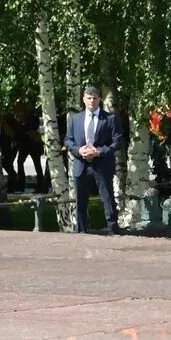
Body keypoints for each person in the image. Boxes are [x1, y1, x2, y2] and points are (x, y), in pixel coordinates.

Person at [64, 85, 124, 234]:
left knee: (108, 199)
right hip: (81, 165)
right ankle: (82, 232)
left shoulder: (110, 119)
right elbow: (68, 140)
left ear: (99, 100)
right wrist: (79, 150)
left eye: (95, 98)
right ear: (84, 100)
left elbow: (118, 141)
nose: (92, 101)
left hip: (102, 165)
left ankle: (113, 231)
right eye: (89, 98)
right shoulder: (75, 119)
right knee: (81, 203)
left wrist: (99, 151)